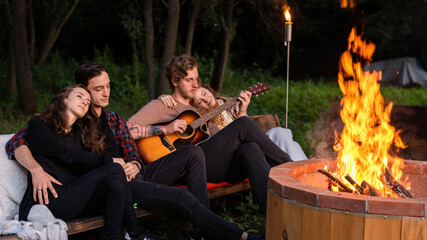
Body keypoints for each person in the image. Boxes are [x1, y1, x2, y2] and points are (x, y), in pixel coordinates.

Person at [6, 63, 262, 240]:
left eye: (108, 86)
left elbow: (131, 155)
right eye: (96, 89)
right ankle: (229, 234)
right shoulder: (71, 121)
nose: (105, 92)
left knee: (192, 157)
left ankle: (215, 233)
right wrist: (35, 168)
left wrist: (134, 165)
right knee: (157, 189)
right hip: (105, 188)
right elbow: (19, 140)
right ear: (79, 91)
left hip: (130, 177)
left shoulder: (112, 120)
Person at [127, 54, 293, 215]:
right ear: (175, 81)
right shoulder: (162, 105)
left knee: (251, 148)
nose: (195, 84)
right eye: (189, 80)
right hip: (187, 165)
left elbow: (222, 139)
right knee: (242, 125)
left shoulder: (200, 109)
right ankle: (290, 167)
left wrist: (240, 112)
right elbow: (126, 129)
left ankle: (273, 215)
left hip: (215, 164)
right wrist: (166, 129)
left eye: (196, 79)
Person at [19, 84, 153, 240]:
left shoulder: (79, 134)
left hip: (74, 199)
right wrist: (108, 160)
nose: (85, 102)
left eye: (88, 101)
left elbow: (84, 166)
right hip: (49, 200)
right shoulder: (40, 123)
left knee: (114, 180)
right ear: (64, 98)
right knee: (113, 168)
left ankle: (114, 236)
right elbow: (62, 153)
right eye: (79, 96)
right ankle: (135, 231)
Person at [159, 84, 308, 161]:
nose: (206, 99)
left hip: (254, 144)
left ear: (206, 88)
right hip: (239, 152)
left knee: (283, 134)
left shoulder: (228, 103)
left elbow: (251, 131)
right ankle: (300, 173)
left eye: (204, 93)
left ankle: (303, 171)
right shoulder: (201, 120)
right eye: (200, 101)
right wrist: (163, 97)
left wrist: (243, 113)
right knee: (279, 133)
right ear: (196, 106)